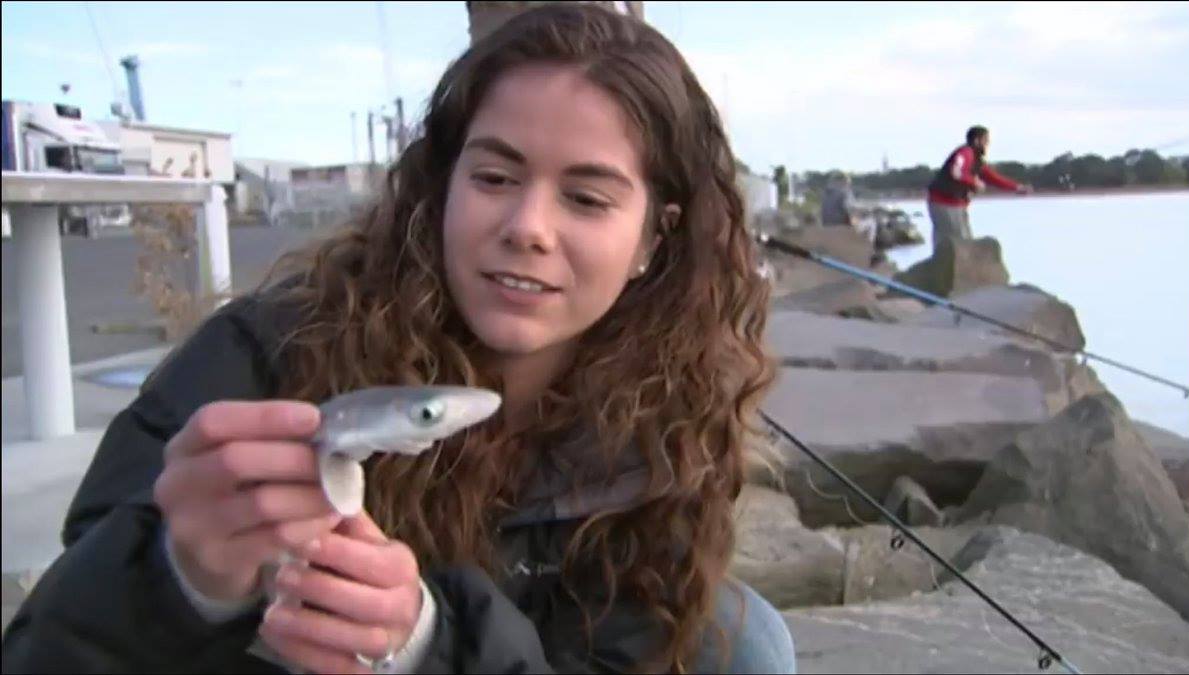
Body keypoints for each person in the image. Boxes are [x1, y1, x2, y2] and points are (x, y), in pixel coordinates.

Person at [1, 5, 794, 674]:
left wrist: (423, 640)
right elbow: (46, 648)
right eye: (494, 178)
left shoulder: (674, 421)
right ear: (442, 183)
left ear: (656, 236)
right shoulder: (267, 350)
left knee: (746, 637)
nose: (527, 228)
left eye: (586, 198)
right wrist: (182, 577)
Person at [926, 125, 1032, 245]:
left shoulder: (977, 161)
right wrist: (974, 182)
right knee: (956, 241)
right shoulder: (965, 153)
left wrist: (1017, 188)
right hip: (944, 203)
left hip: (957, 204)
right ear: (976, 141)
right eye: (985, 140)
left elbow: (993, 178)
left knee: (964, 240)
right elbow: (956, 172)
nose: (988, 144)